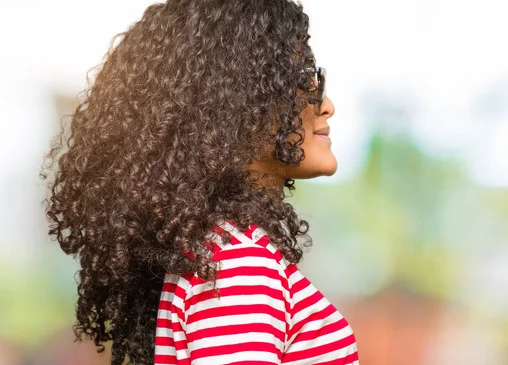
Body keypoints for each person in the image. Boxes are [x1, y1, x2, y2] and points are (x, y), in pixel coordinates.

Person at [40, 0, 359, 364]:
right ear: (235, 106)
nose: (326, 104)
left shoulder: (218, 257)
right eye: (300, 80)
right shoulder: (238, 265)